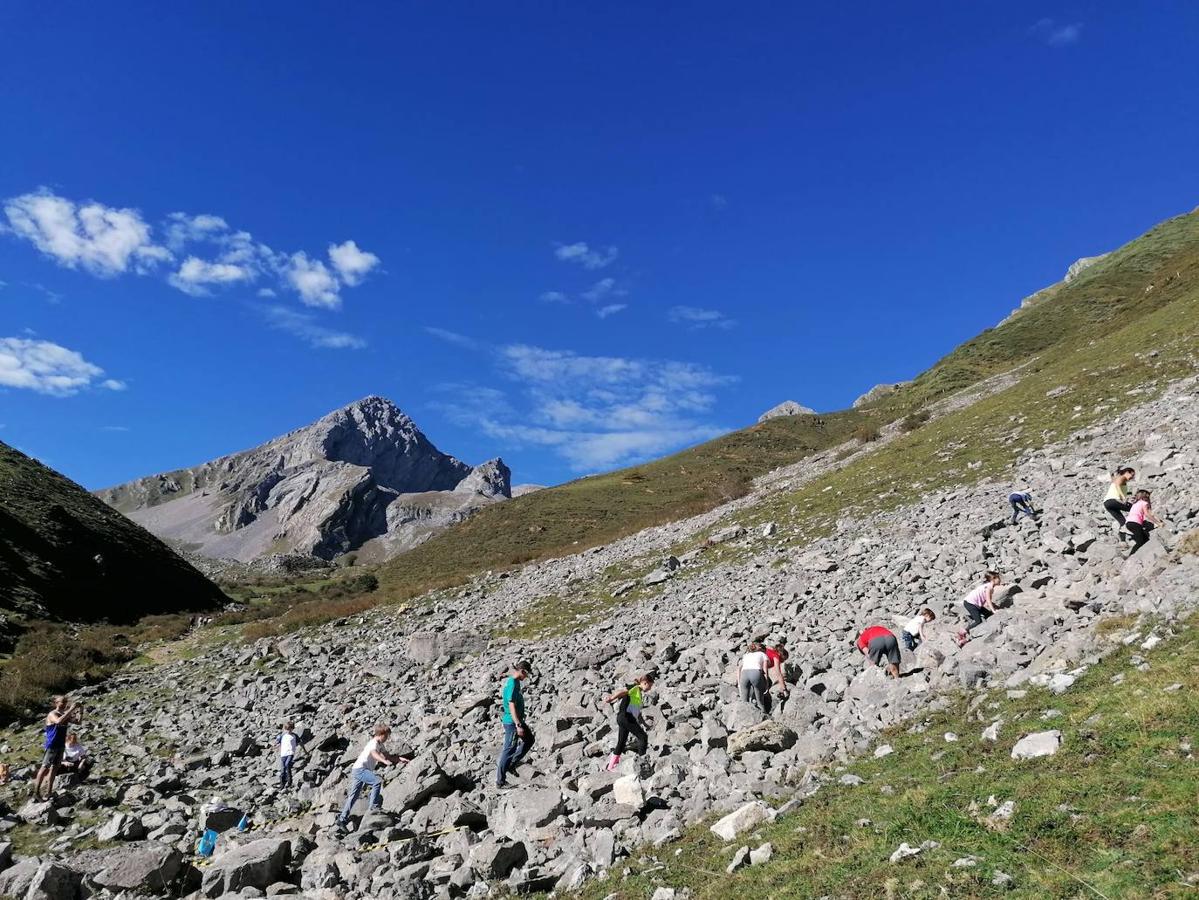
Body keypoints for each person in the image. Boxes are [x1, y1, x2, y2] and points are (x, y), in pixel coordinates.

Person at [336, 725, 409, 828]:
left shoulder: (380, 744)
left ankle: (342, 819)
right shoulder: (373, 743)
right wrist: (383, 761)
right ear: (380, 735)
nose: (387, 738)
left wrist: (400, 759)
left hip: (358, 769)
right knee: (377, 782)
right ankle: (373, 808)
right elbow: (374, 754)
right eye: (386, 736)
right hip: (360, 769)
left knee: (354, 795)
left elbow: (388, 756)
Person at [32, 695, 81, 800]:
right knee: (45, 767)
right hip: (52, 744)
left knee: (54, 768)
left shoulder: (64, 714)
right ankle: (36, 792)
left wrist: (81, 710)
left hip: (60, 745)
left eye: (66, 702)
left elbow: (78, 722)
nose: (64, 704)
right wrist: (72, 709)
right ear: (56, 703)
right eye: (62, 702)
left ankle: (49, 792)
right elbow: (58, 721)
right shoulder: (52, 714)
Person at [603, 672, 655, 771]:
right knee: (643, 737)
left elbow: (636, 711)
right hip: (626, 717)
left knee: (621, 743)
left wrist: (644, 723)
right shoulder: (635, 688)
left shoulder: (638, 693)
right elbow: (623, 692)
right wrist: (611, 698)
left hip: (622, 718)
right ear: (644, 683)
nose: (650, 689)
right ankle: (642, 763)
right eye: (649, 685)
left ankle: (610, 767)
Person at [496, 660, 534, 788]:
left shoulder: (515, 681)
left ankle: (511, 764)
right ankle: (500, 782)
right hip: (512, 722)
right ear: (522, 671)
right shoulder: (512, 684)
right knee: (509, 749)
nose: (527, 677)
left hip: (517, 720)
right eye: (527, 674)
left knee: (529, 740)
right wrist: (518, 725)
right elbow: (511, 705)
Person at [957, 571, 1002, 646]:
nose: (1000, 580)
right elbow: (988, 600)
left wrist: (995, 607)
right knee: (978, 621)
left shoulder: (989, 586)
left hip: (975, 604)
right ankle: (962, 632)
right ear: (993, 579)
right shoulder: (989, 587)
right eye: (998, 578)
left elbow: (988, 601)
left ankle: (988, 630)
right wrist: (994, 610)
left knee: (988, 614)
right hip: (970, 603)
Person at [1125, 489, 1165, 555]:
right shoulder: (1144, 503)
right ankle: (1130, 556)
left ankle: (1143, 554)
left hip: (1129, 523)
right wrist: (1158, 523)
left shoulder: (1135, 504)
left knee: (1145, 539)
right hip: (1135, 523)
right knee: (1140, 542)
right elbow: (1148, 514)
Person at [1103, 467, 1136, 539]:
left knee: (1122, 521)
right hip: (1114, 501)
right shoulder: (1122, 478)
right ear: (1127, 472)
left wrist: (1128, 496)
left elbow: (1117, 487)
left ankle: (1123, 542)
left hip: (1107, 503)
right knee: (1135, 508)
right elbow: (1117, 485)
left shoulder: (1121, 480)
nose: (1132, 477)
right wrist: (1124, 498)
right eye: (1132, 475)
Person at [736, 642, 770, 709]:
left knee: (744, 701)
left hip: (744, 674)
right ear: (762, 649)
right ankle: (763, 715)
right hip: (755, 672)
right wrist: (766, 684)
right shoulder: (762, 654)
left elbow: (739, 669)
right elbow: (765, 670)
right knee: (760, 701)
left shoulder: (746, 655)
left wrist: (739, 683)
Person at [276, 721, 306, 789]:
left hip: (290, 753)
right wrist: (276, 747)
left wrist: (305, 750)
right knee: (283, 769)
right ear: (285, 729)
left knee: (287, 764)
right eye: (287, 729)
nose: (288, 731)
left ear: (292, 729)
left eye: (290, 729)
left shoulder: (294, 736)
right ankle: (282, 784)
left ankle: (289, 781)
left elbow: (300, 743)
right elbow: (278, 743)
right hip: (283, 754)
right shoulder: (282, 735)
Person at [764, 638, 789, 709]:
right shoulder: (776, 656)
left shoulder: (770, 650)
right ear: (781, 655)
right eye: (783, 660)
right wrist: (784, 689)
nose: (782, 662)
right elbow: (778, 673)